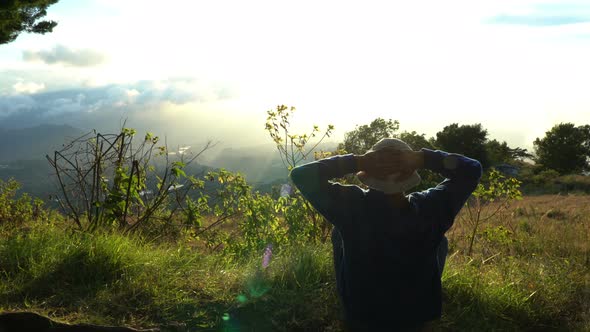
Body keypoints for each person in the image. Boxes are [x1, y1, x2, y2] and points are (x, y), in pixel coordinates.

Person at [290, 138, 482, 331]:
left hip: (362, 313)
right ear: (410, 174)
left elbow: (301, 175)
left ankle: (348, 302)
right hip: (415, 315)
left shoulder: (350, 207)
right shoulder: (431, 208)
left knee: (339, 233)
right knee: (439, 240)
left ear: (368, 175)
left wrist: (358, 161)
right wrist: (423, 158)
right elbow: (472, 170)